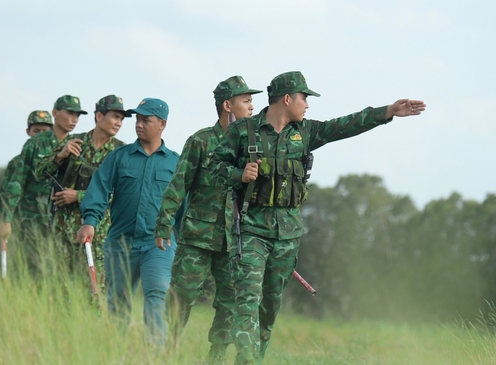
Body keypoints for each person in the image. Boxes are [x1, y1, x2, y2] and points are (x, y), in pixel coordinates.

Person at [208, 71, 426, 364]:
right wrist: (238, 173)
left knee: (268, 309)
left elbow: (344, 126)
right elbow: (212, 167)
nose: (308, 104)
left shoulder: (305, 133)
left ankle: (253, 358)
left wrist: (388, 112)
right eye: (304, 97)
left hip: (287, 236)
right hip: (251, 231)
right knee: (247, 301)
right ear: (287, 99)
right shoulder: (243, 131)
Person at [155, 76, 262, 364]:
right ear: (228, 105)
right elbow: (179, 183)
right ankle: (169, 348)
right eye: (246, 100)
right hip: (197, 236)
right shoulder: (201, 141)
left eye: (252, 100)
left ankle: (216, 356)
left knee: (228, 302)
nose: (252, 105)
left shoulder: (252, 145)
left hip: (234, 239)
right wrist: (164, 222)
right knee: (182, 296)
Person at [75, 98, 184, 344]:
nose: (139, 125)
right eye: (137, 119)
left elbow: (184, 207)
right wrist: (90, 220)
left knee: (157, 295)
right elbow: (99, 189)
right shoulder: (119, 157)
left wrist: (184, 240)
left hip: (159, 245)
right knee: (117, 302)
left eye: (146, 120)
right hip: (120, 244)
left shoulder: (175, 163)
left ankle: (156, 356)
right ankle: (116, 353)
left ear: (162, 124)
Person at [34, 95, 130, 282]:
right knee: (59, 285)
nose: (119, 123)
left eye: (121, 119)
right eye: (115, 117)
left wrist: (78, 196)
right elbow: (39, 173)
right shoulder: (74, 142)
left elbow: (123, 194)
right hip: (64, 229)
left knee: (95, 287)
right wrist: (60, 156)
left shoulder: (121, 153)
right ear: (99, 116)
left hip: (99, 232)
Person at [0, 95, 87, 243]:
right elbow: (17, 183)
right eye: (70, 113)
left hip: (64, 223)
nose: (75, 119)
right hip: (32, 221)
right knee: (32, 265)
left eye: (77, 115)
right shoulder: (35, 144)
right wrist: (6, 219)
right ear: (55, 113)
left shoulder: (78, 145)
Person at [0, 110, 53, 223]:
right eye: (36, 131)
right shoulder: (17, 162)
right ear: (28, 132)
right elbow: (4, 195)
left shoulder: (61, 159)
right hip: (25, 222)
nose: (40, 135)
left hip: (53, 222)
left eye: (45, 131)